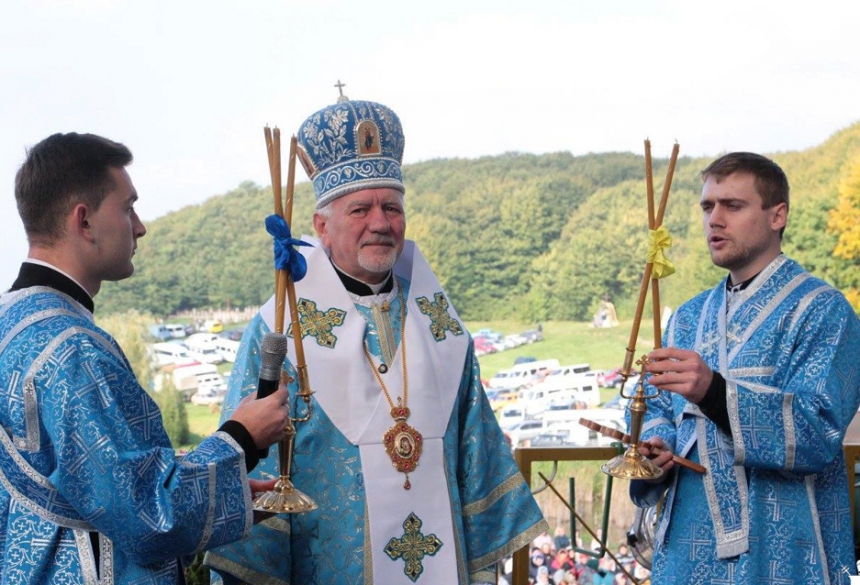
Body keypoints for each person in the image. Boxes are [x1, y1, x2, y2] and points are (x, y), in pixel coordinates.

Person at [204, 92, 547, 584]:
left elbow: (478, 454)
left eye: (392, 207)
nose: (381, 223)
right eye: (361, 209)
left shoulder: (441, 327)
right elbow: (252, 459)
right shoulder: (282, 326)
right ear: (322, 226)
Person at [0, 132, 291, 583]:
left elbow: (94, 488)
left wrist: (229, 492)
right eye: (128, 206)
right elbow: (148, 517)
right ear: (84, 221)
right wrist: (241, 439)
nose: (140, 226)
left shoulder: (12, 321)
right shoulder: (71, 349)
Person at [630, 152, 860, 583]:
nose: (714, 220)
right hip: (684, 549)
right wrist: (654, 444)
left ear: (778, 215)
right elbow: (655, 407)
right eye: (707, 206)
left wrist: (713, 392)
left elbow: (817, 431)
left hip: (780, 548)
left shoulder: (823, 312)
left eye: (732, 206)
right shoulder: (688, 317)